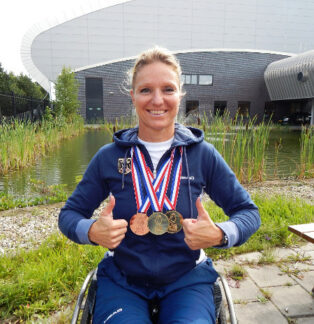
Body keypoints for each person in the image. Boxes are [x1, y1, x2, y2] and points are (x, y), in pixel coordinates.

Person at [58, 47, 261, 324]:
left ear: (180, 95)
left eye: (167, 89)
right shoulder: (109, 157)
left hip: (187, 280)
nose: (157, 100)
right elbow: (68, 215)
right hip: (122, 280)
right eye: (145, 90)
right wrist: (92, 230)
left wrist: (219, 235)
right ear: (133, 96)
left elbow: (248, 212)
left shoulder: (204, 155)